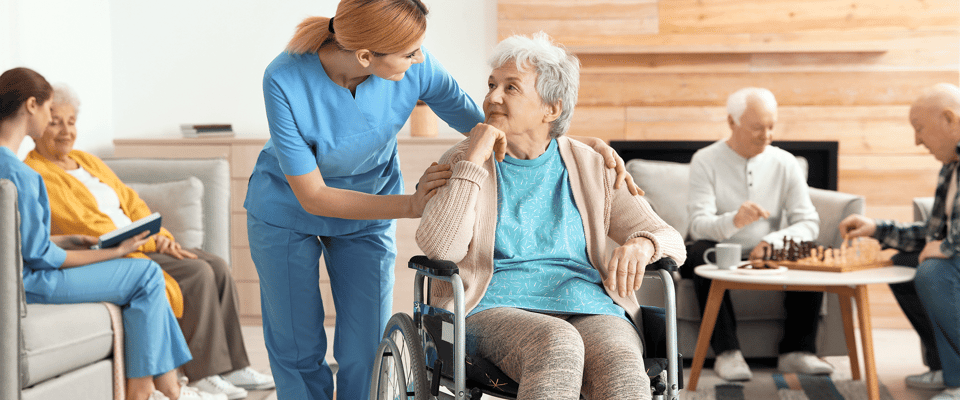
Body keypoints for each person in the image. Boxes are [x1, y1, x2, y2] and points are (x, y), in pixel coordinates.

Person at [245, 1, 638, 399]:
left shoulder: (418, 67)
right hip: (288, 209)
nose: (419, 57)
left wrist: (576, 146)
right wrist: (411, 206)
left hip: (369, 207)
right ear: (366, 57)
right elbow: (313, 195)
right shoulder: (284, 78)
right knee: (296, 347)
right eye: (409, 52)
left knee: (365, 348)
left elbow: (491, 127)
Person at [415, 32, 686, 399]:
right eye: (492, 84)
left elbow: (669, 237)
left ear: (551, 109)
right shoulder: (462, 160)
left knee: (620, 359)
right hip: (492, 307)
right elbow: (440, 248)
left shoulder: (593, 166)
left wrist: (642, 244)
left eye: (511, 88)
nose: (492, 96)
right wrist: (473, 161)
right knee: (557, 341)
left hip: (588, 306)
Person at [24, 84, 275, 400]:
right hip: (117, 253)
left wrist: (161, 237)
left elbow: (132, 202)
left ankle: (234, 366)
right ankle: (203, 374)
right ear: (37, 124)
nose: (65, 131)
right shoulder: (35, 172)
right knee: (197, 274)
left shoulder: (87, 161)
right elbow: (83, 226)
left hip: (142, 242)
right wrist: (146, 243)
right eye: (55, 121)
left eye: (71, 121)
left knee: (216, 264)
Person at [681, 87, 833, 381]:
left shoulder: (786, 162)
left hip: (767, 252)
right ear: (732, 123)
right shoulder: (705, 159)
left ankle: (797, 352)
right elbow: (698, 224)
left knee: (812, 248)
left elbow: (808, 221)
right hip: (719, 250)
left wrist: (770, 241)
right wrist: (734, 221)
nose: (767, 135)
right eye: (757, 128)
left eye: (771, 126)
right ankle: (728, 353)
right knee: (698, 250)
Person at [840, 83, 960, 400]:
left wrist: (947, 248)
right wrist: (876, 228)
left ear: (950, 119)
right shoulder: (951, 167)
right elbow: (931, 233)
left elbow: (944, 242)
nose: (917, 140)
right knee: (901, 263)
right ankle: (947, 368)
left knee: (934, 271)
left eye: (919, 129)